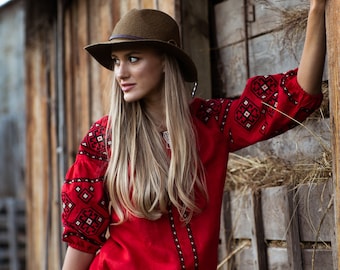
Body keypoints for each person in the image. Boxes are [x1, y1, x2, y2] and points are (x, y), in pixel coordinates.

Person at [61, 0, 327, 269]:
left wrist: (317, 10)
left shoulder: (211, 123)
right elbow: (82, 242)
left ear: (166, 61)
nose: (121, 73)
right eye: (117, 62)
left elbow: (297, 96)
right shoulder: (103, 141)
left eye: (133, 58)